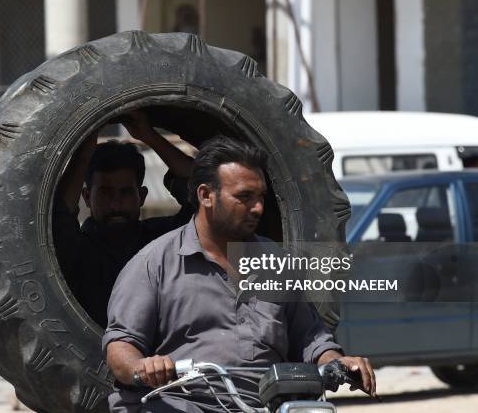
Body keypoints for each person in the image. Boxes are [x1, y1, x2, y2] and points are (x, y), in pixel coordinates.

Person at [103, 136, 377, 412]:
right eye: (244, 197)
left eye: (260, 198)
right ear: (206, 196)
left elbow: (311, 338)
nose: (257, 208)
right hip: (181, 403)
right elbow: (120, 346)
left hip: (265, 404)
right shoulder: (153, 263)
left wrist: (334, 361)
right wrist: (142, 366)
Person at [53, 111, 194, 328]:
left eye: (126, 193)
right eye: (105, 193)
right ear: (87, 197)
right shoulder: (74, 249)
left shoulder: (164, 240)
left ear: (142, 196)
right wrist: (83, 153)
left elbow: (208, 192)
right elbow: (59, 212)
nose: (116, 205)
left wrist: (149, 136)